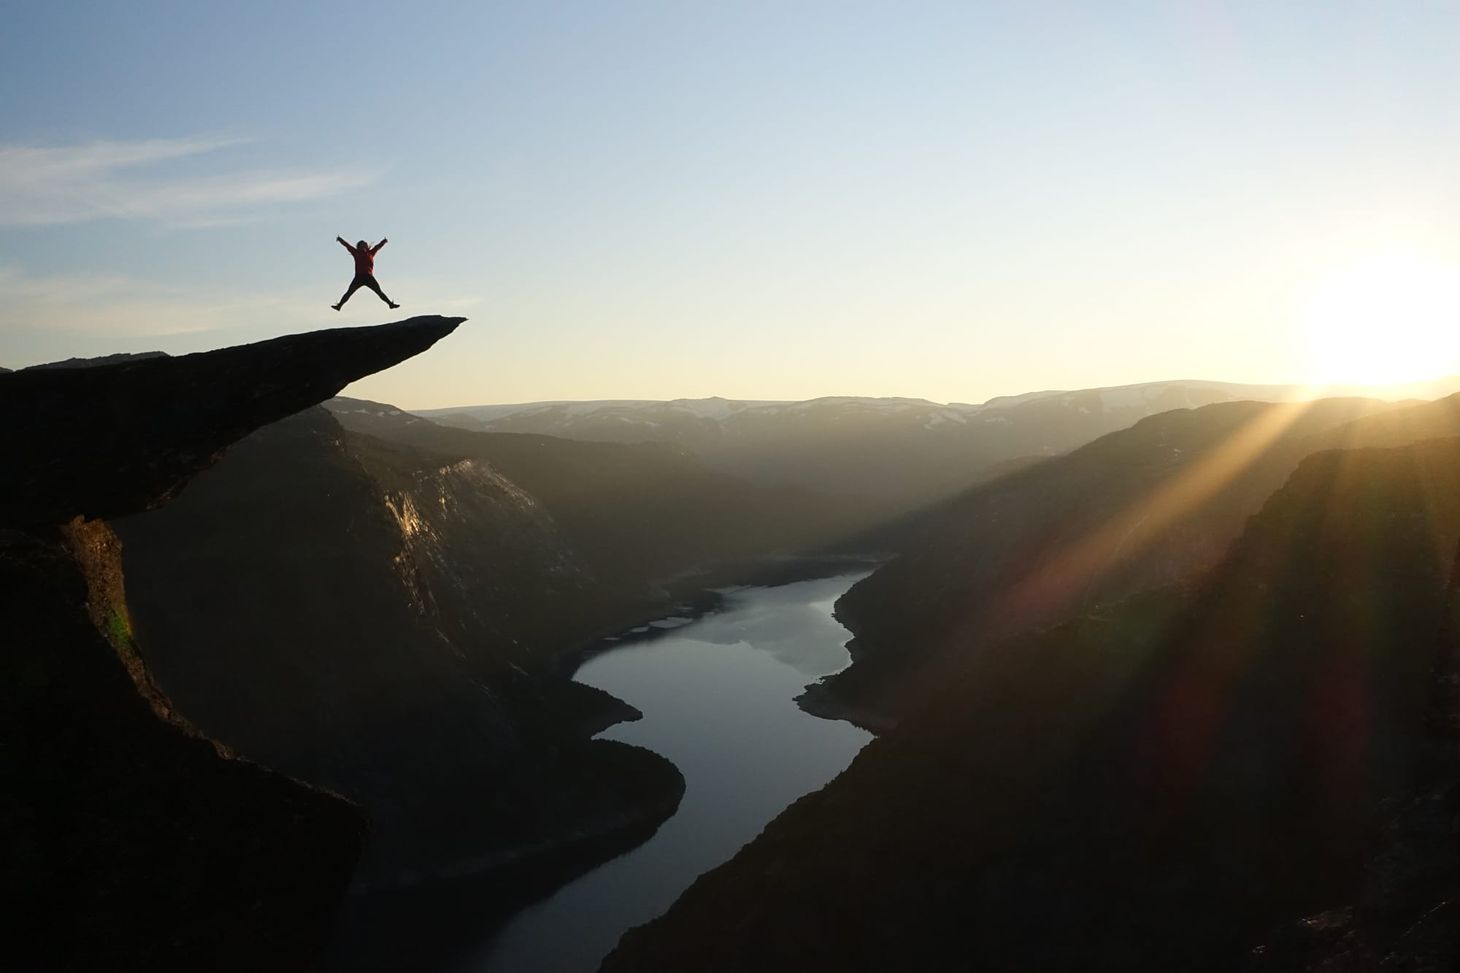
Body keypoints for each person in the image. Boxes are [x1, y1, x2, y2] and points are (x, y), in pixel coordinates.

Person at [332, 236, 399, 310]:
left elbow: (377, 247)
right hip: (358, 277)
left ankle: (390, 304)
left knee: (379, 292)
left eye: (366, 244)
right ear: (360, 246)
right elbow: (347, 245)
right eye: (364, 244)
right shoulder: (355, 252)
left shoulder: (371, 253)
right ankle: (339, 306)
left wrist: (384, 241)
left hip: (369, 277)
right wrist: (340, 239)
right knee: (349, 293)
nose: (365, 244)